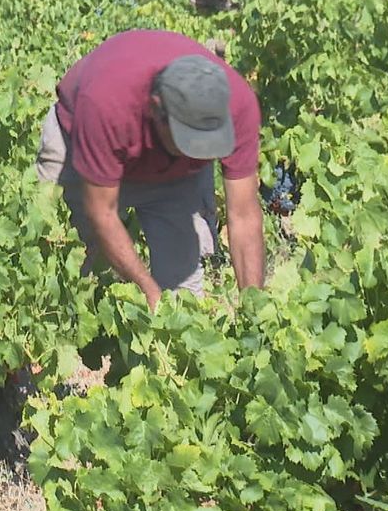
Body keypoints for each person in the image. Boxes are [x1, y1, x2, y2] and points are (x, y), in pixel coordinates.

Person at [35, 29, 266, 309]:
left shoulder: (238, 105)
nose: (198, 150)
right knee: (67, 272)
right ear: (157, 110)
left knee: (184, 296)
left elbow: (243, 215)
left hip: (172, 176)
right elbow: (102, 212)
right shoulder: (106, 104)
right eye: (190, 140)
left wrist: (255, 313)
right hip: (78, 148)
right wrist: (149, 291)